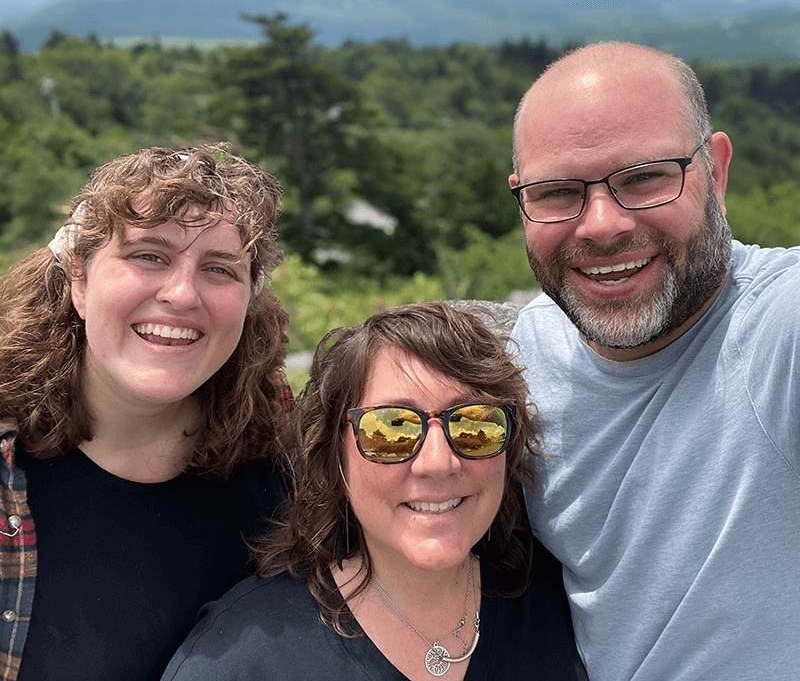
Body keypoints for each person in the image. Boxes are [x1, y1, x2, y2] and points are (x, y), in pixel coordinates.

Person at [508, 41, 800, 680]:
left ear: (715, 171)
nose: (600, 226)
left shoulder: (779, 328)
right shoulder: (517, 364)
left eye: (644, 178)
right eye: (557, 193)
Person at [161, 301, 588, 681]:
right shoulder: (241, 659)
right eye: (392, 428)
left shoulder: (560, 601)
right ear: (334, 457)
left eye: (474, 425)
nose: (438, 463)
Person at [0, 144, 292, 681]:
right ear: (80, 282)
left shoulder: (288, 457)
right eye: (148, 256)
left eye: (220, 269)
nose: (182, 294)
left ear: (250, 298)